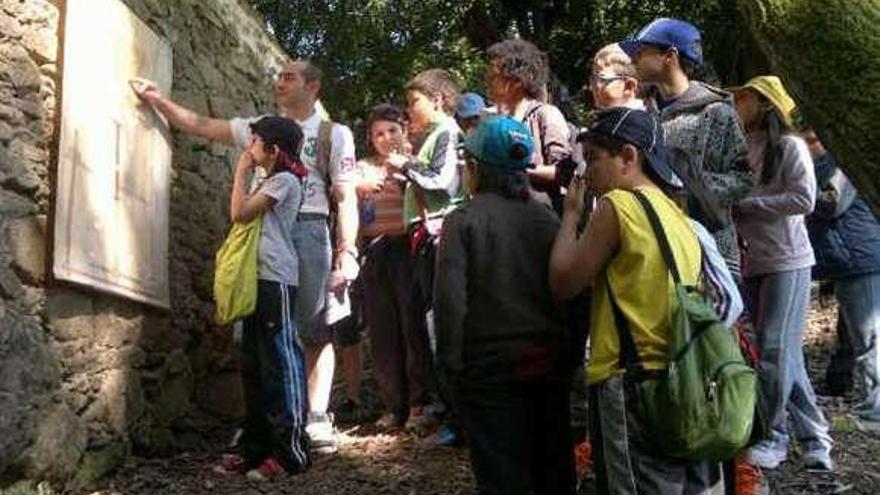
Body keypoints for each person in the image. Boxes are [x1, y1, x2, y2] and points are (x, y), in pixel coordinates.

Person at [134, 60, 359, 455]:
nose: (280, 82)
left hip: (308, 228)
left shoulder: (333, 133)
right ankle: (263, 420)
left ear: (313, 86)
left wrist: (348, 250)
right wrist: (158, 101)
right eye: (280, 76)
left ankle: (316, 417)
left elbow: (345, 195)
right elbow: (204, 125)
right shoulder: (261, 125)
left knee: (312, 324)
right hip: (260, 228)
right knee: (256, 326)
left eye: (289, 77)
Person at [550, 108, 721, 494]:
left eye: (593, 158)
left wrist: (570, 215)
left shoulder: (619, 206)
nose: (587, 173)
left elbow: (563, 282)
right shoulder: (674, 211)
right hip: (682, 372)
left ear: (628, 156)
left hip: (632, 381)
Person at [435, 115, 574, 494]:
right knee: (554, 469)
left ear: (475, 168)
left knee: (501, 476)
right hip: (549, 364)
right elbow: (571, 294)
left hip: (488, 370)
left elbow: (450, 302)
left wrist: (449, 366)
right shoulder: (547, 218)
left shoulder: (462, 222)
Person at [731, 76, 833, 471]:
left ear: (765, 104)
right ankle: (816, 439)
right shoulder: (744, 145)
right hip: (753, 259)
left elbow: (804, 199)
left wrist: (748, 203)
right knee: (783, 355)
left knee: (773, 350)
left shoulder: (789, 146)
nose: (738, 103)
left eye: (745, 97)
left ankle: (773, 436)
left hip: (787, 261)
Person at [213, 117, 310, 480]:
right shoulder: (267, 180)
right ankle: (254, 448)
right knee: (253, 366)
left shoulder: (284, 181)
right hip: (255, 281)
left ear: (273, 149)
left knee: (280, 365)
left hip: (276, 281)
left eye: (255, 141)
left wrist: (240, 172)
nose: (249, 147)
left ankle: (289, 453)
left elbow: (239, 213)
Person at [620, 18, 752, 282]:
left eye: (641, 52)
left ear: (670, 56)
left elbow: (743, 179)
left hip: (711, 255)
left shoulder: (717, 113)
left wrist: (691, 188)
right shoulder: (645, 117)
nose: (633, 60)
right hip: (659, 252)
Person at [384, 68, 465, 432]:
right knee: (428, 322)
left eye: (414, 101)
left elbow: (442, 183)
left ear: (437, 100)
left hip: (438, 238)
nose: (409, 110)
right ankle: (446, 409)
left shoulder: (447, 132)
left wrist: (406, 164)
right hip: (425, 238)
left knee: (440, 324)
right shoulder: (435, 135)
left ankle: (457, 416)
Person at [352, 103, 431, 429]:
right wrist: (356, 189)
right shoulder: (362, 167)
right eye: (378, 134)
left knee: (412, 324)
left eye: (392, 131)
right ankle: (393, 405)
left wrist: (407, 176)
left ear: (404, 131)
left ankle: (418, 404)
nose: (385, 138)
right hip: (374, 252)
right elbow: (340, 195)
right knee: (382, 330)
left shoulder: (415, 163)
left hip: (407, 248)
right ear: (371, 139)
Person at [804, 129, 880, 423]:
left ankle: (875, 408)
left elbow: (831, 202)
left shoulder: (842, 165)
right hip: (847, 258)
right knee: (859, 335)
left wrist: (798, 189)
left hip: (860, 256)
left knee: (870, 335)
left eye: (813, 140)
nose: (809, 146)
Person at [486, 38, 573, 214]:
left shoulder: (545, 115)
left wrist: (518, 168)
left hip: (539, 218)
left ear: (516, 81)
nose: (488, 82)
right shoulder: (494, 120)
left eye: (494, 76)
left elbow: (563, 172)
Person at [589, 43, 644, 111]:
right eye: (593, 79)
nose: (591, 88)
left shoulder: (634, 119)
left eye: (601, 80)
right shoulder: (616, 116)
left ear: (629, 86)